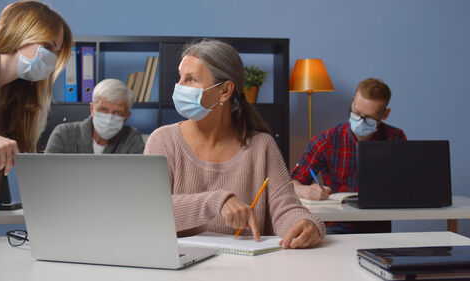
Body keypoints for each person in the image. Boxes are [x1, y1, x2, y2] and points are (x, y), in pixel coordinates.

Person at [144, 39, 325, 249]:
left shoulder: (262, 146)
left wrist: (306, 225)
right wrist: (215, 202)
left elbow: (286, 209)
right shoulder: (163, 140)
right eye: (180, 78)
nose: (179, 88)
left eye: (191, 79)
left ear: (225, 91)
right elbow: (150, 211)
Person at [0, 1, 73, 235]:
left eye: (56, 51)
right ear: (21, 32)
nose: (51, 57)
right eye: (47, 45)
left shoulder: (12, 101)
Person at [291, 78, 407, 233]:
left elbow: (407, 185)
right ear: (353, 103)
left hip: (377, 228)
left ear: (385, 114)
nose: (360, 121)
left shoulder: (395, 138)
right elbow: (291, 184)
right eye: (356, 113)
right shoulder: (327, 140)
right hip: (336, 226)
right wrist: (306, 191)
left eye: (369, 118)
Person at [45, 79, 144, 154]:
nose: (109, 118)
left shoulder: (132, 139)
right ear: (92, 109)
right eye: (103, 110)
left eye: (117, 112)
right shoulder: (63, 134)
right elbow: (48, 174)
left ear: (126, 116)